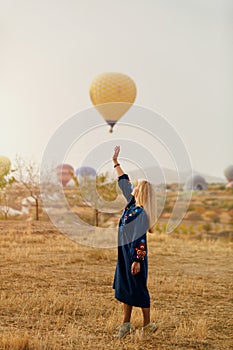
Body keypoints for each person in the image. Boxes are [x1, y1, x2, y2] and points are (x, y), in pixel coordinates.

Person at [112, 145, 158, 339]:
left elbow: (139, 240)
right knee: (125, 286)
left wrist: (137, 260)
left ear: (141, 192)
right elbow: (124, 182)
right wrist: (115, 162)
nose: (134, 186)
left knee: (138, 288)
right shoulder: (132, 206)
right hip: (124, 254)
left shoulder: (140, 213)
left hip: (133, 257)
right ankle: (126, 324)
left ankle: (147, 325)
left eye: (137, 186)